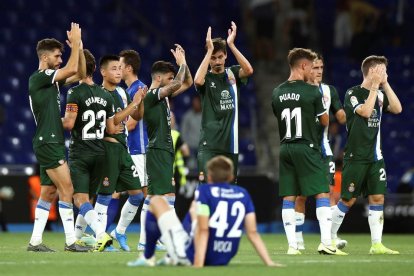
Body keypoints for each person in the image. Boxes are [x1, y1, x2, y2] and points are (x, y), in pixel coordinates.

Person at [127, 156, 281, 267]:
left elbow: (203, 229)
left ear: (209, 176)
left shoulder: (205, 191)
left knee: (156, 201)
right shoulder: (243, 193)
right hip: (224, 257)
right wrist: (269, 262)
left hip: (196, 255)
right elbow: (252, 232)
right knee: (193, 213)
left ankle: (148, 257)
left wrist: (198, 264)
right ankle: (170, 257)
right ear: (231, 176)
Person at [271, 48, 346, 255]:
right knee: (323, 191)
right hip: (307, 146)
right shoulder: (313, 91)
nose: (314, 71)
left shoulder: (277, 91)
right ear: (303, 66)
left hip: (285, 147)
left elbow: (279, 115)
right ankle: (326, 242)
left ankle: (293, 246)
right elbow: (325, 121)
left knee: (289, 196)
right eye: (312, 67)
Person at [27, 23, 91, 252]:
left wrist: (80, 47)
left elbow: (81, 73)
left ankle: (35, 241)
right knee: (68, 189)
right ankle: (71, 241)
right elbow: (73, 68)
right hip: (49, 141)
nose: (60, 59)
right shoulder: (40, 77)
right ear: (44, 57)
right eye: (57, 56)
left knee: (49, 192)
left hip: (49, 141)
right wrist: (74, 44)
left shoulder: (50, 81)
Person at [331, 55, 402, 254]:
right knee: (348, 200)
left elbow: (397, 108)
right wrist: (374, 88)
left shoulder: (380, 94)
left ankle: (376, 244)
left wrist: (385, 85)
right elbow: (364, 112)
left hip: (375, 157)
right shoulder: (352, 93)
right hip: (356, 157)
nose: (384, 74)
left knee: (378, 198)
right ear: (371, 71)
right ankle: (329, 236)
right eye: (382, 70)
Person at [63, 49, 130, 252]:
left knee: (79, 199)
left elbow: (68, 124)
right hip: (100, 153)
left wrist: (50, 121)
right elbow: (111, 129)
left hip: (81, 152)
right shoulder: (105, 95)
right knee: (89, 199)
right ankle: (77, 238)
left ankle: (101, 234)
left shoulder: (75, 92)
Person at [294, 53, 347, 250]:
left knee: (330, 193)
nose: (318, 72)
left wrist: (353, 110)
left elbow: (340, 117)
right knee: (301, 195)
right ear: (306, 68)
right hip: (302, 149)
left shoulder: (329, 90)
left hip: (323, 150)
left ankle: (330, 238)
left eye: (321, 68)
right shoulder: (297, 90)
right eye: (315, 68)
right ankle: (298, 240)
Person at [95, 55, 146, 252]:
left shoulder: (122, 93)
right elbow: (113, 122)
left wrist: (139, 101)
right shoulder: (98, 94)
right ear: (103, 72)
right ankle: (100, 238)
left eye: (120, 68)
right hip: (106, 149)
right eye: (114, 68)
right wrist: (134, 103)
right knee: (106, 195)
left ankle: (119, 231)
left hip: (123, 149)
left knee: (136, 195)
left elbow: (137, 116)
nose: (118, 72)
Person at [194, 22, 254, 184]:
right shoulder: (206, 78)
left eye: (220, 57)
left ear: (226, 56)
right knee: (205, 188)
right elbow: (197, 80)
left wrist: (231, 45)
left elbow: (248, 70)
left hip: (230, 145)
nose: (217, 61)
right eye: (213, 58)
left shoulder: (233, 74)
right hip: (209, 145)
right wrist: (209, 52)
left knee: (229, 189)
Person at [143, 44, 193, 216]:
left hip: (164, 149)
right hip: (158, 149)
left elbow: (188, 82)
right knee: (166, 195)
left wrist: (184, 63)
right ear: (158, 77)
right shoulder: (151, 95)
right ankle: (165, 236)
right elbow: (179, 82)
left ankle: (145, 241)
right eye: (169, 78)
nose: (173, 81)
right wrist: (182, 65)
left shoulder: (163, 98)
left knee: (156, 195)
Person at [119, 49, 152, 250]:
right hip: (136, 149)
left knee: (144, 195)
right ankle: (121, 233)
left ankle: (144, 239)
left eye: (120, 66)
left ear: (129, 68)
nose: (117, 70)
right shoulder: (134, 89)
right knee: (141, 195)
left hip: (138, 148)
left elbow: (130, 124)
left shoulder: (136, 90)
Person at [28, 164, 57, 232]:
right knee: (41, 219)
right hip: (44, 200)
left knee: (44, 220)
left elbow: (31, 191)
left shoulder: (32, 179)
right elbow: (31, 191)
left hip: (41, 201)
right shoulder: (33, 179)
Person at [180, 95, 202, 169]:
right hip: (190, 147)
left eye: (197, 102)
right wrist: (186, 144)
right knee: (191, 166)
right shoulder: (187, 116)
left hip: (202, 147)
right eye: (194, 102)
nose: (196, 104)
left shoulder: (205, 115)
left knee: (203, 166)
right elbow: (183, 132)